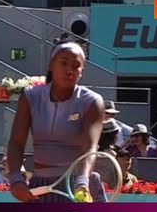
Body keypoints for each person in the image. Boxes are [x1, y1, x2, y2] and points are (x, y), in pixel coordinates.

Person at [7, 41, 104, 202]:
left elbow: (89, 148)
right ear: (51, 64)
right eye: (63, 63)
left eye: (76, 66)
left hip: (79, 185)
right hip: (40, 185)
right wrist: (16, 179)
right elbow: (16, 143)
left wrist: (82, 181)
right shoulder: (30, 96)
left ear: (82, 71)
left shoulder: (92, 101)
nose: (69, 70)